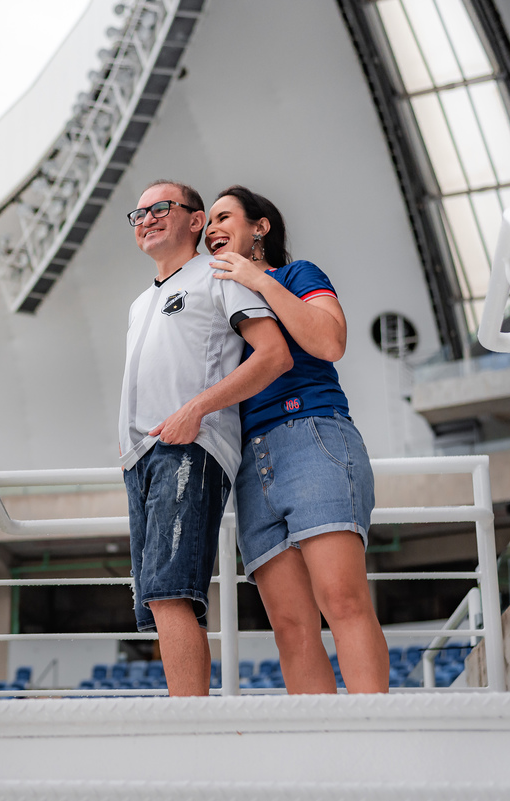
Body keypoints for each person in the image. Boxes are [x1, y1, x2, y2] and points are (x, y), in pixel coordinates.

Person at [207, 185, 390, 693]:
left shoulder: (295, 274)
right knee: (290, 628)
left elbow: (330, 341)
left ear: (260, 227)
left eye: (225, 218)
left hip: (311, 433)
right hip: (250, 463)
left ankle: (380, 741)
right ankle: (329, 761)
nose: (213, 231)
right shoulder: (223, 304)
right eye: (208, 227)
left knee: (343, 599)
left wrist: (258, 279)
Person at [118, 180, 292, 696]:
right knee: (157, 600)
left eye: (161, 208)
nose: (146, 218)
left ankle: (191, 726)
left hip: (190, 445)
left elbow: (273, 355)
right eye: (139, 212)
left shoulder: (216, 275)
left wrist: (196, 409)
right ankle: (186, 719)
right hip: (141, 457)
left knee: (172, 593)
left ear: (195, 221)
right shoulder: (137, 304)